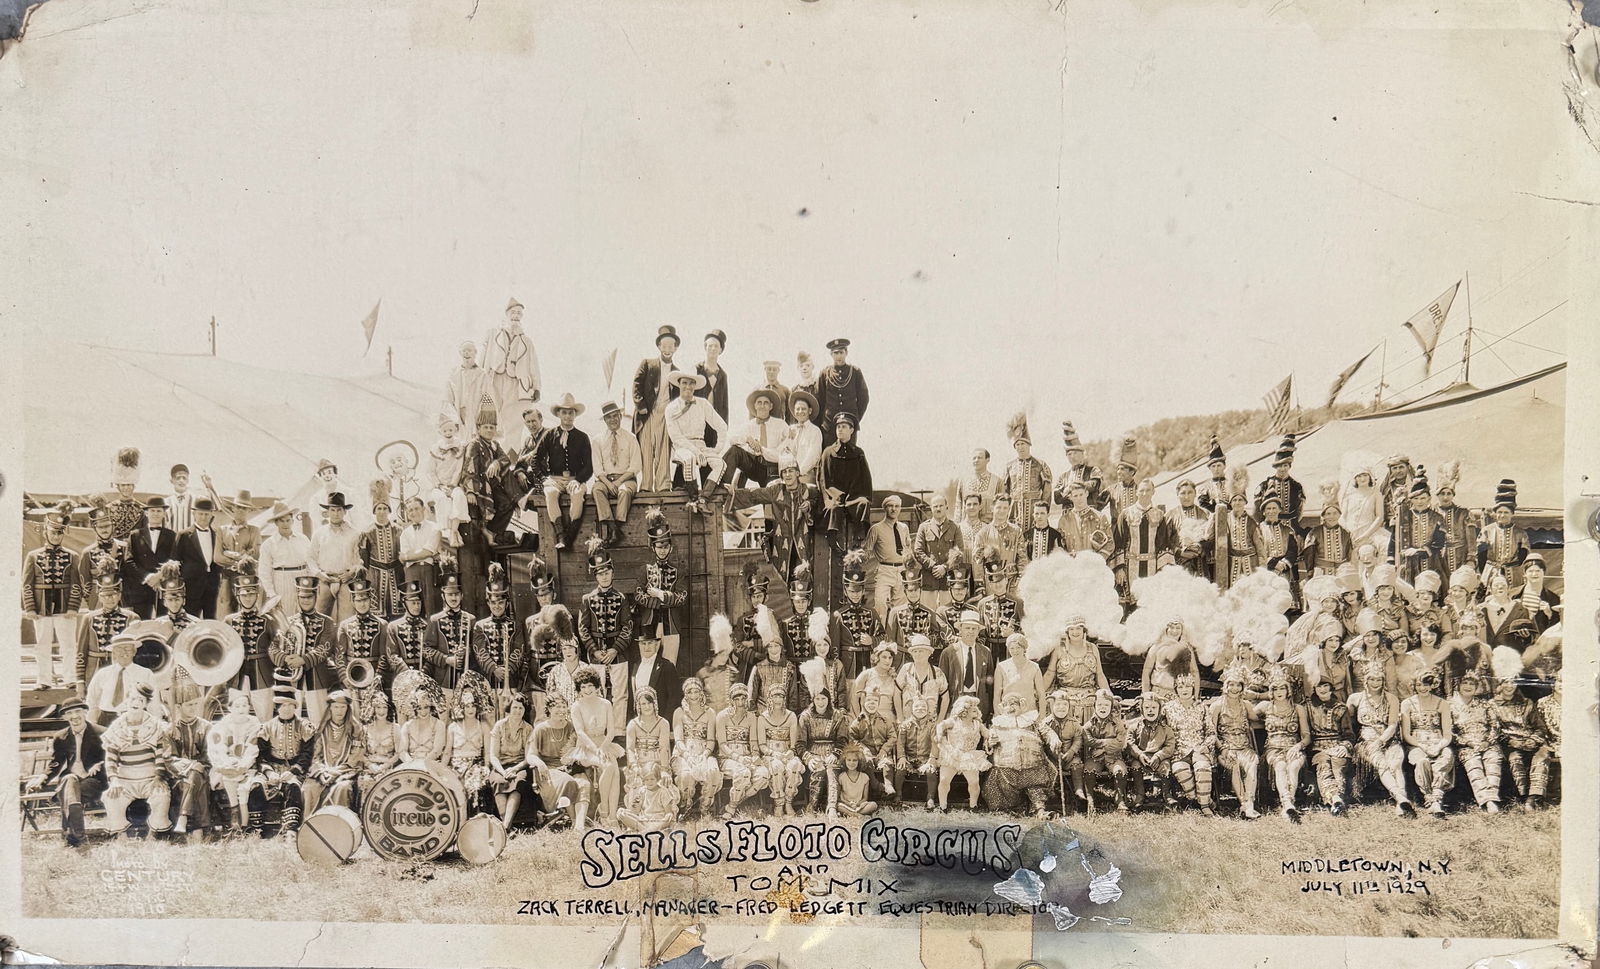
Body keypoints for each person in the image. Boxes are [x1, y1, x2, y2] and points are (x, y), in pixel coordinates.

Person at [728, 454, 818, 586]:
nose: (787, 475)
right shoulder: (776, 491)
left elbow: (819, 502)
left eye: (791, 471)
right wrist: (734, 493)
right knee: (781, 578)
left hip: (802, 542)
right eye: (784, 472)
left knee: (803, 575)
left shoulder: (808, 490)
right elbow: (754, 495)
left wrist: (810, 505)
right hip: (781, 543)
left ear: (798, 473)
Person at [101, 683, 173, 840]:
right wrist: (113, 781)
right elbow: (111, 758)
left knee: (161, 795)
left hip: (149, 778)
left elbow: (160, 755)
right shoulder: (117, 727)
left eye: (141, 700)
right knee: (111, 797)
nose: (136, 703)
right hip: (125, 779)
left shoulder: (154, 725)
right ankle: (121, 835)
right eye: (133, 699)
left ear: (146, 704)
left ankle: (153, 834)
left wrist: (158, 777)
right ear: (127, 701)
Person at [23, 500, 82, 688]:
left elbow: (76, 585)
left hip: (65, 608)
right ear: (45, 532)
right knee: (42, 646)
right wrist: (31, 608)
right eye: (53, 532)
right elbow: (27, 584)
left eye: (60, 532)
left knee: (69, 645)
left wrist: (73, 607)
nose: (56, 536)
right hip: (41, 608)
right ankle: (44, 680)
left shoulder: (72, 556)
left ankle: (70, 679)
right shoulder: (33, 556)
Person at [245, 681, 316, 837]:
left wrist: (293, 771)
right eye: (283, 705)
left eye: (290, 705)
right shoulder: (267, 727)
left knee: (293, 787)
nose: (286, 709)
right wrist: (269, 773)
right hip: (271, 769)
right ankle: (257, 829)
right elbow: (261, 755)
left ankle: (290, 830)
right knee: (257, 786)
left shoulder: (304, 726)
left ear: (295, 706)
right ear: (277, 708)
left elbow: (307, 754)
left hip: (295, 769)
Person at [1347, 660, 1416, 817]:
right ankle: (1401, 798)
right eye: (1372, 679)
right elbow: (1348, 724)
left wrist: (1381, 741)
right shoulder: (1355, 698)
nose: (1375, 683)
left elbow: (1392, 725)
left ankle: (1401, 802)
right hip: (1366, 742)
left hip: (1388, 738)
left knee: (1396, 764)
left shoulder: (1392, 698)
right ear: (1366, 680)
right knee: (1382, 764)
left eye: (1379, 679)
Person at [33, 697, 105, 847]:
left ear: (85, 712)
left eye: (78, 711)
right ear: (64, 717)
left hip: (93, 782)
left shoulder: (101, 733)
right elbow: (56, 762)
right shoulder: (61, 736)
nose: (74, 716)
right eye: (69, 713)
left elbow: (113, 757)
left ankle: (73, 837)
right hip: (71, 780)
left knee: (69, 791)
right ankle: (79, 837)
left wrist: (100, 764)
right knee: (70, 780)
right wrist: (44, 776)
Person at [578, 542, 634, 734]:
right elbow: (583, 628)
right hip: (596, 655)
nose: (604, 576)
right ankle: (598, 731)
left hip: (618, 653)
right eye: (600, 573)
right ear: (595, 576)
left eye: (607, 572)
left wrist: (615, 649)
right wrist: (594, 650)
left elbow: (628, 627)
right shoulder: (588, 599)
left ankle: (618, 731)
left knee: (620, 694)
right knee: (596, 693)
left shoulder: (622, 598)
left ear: (612, 573)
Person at [1488, 648, 1552, 810]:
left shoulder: (1527, 703)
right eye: (1506, 682)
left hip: (1532, 742)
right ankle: (1523, 795)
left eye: (1513, 681)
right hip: (1511, 745)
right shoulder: (1493, 705)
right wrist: (1513, 742)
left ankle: (1534, 797)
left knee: (1542, 755)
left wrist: (1532, 740)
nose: (1510, 686)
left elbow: (1540, 727)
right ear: (1499, 684)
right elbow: (1495, 730)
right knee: (1515, 759)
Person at [527, 693, 599, 832]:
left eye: (564, 706)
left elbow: (578, 749)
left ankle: (578, 825)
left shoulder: (571, 727)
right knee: (568, 781)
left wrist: (575, 757)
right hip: (548, 770)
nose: (561, 710)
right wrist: (539, 763)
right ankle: (574, 821)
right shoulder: (541, 729)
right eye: (557, 707)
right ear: (548, 709)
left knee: (583, 783)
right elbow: (530, 755)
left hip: (570, 767)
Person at [275, 574, 336, 724]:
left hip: (317, 678)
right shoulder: (289, 622)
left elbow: (325, 648)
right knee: (291, 720)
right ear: (297, 597)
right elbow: (276, 647)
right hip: (293, 679)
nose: (305, 600)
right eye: (302, 597)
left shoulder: (327, 622)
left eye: (309, 597)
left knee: (319, 720)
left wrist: (303, 660)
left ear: (316, 596)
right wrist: (284, 658)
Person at [536, 392, 593, 549]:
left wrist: (578, 480)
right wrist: (543, 478)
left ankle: (570, 536)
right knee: (550, 493)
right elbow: (535, 459)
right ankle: (560, 534)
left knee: (577, 494)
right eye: (564, 412)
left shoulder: (582, 437)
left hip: (575, 478)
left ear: (575, 414)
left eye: (570, 412)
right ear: (559, 414)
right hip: (555, 479)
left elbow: (589, 465)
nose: (567, 416)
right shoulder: (549, 435)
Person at [984, 692, 1055, 816]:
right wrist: (990, 742)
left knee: (1035, 786)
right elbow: (988, 742)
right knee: (999, 786)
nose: (1011, 707)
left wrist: (1054, 739)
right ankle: (1007, 810)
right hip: (1006, 766)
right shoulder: (998, 724)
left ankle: (1040, 811)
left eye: (1014, 704)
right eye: (1007, 705)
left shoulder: (1031, 721)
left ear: (1021, 706)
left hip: (1032, 764)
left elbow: (1046, 730)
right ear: (1002, 708)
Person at [630, 325, 682, 492]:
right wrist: (641, 406)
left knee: (663, 449)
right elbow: (637, 384)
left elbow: (679, 397)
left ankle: (663, 485)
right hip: (648, 413)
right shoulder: (648, 363)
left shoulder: (677, 372)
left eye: (670, 346)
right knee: (646, 449)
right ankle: (645, 485)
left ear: (675, 348)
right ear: (659, 346)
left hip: (666, 414)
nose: (667, 349)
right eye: (664, 346)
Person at [1399, 667, 1456, 817]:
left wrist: (1438, 746)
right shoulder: (1407, 703)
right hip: (1416, 743)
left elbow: (1447, 734)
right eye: (1418, 685)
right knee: (1422, 761)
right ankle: (1429, 797)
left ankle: (1437, 797)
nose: (1422, 688)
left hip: (1438, 742)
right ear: (1413, 686)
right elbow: (1406, 734)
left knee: (1447, 755)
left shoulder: (1442, 704)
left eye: (1426, 684)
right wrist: (1422, 745)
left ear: (1433, 685)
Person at [1207, 665, 1262, 819]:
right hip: (1224, 749)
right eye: (1231, 684)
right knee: (1235, 764)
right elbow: (1211, 732)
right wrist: (1223, 749)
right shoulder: (1217, 706)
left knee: (1253, 762)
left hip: (1244, 747)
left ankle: (1248, 804)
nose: (1235, 688)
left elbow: (1259, 719)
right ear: (1226, 686)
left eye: (1238, 684)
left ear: (1242, 687)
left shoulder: (1246, 705)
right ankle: (1244, 803)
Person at [634, 509, 688, 665]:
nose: (662, 550)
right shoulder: (645, 569)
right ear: (653, 548)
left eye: (665, 547)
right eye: (659, 547)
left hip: (672, 626)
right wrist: (660, 603)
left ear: (670, 548)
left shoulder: (678, 571)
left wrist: (660, 594)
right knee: (649, 664)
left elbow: (682, 597)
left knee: (670, 666)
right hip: (650, 623)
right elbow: (638, 595)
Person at [481, 297, 542, 434]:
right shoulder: (493, 334)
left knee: (513, 418)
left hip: (516, 382)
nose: (516, 316)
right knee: (492, 414)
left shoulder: (526, 341)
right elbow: (483, 357)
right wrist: (480, 377)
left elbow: (534, 365)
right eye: (513, 312)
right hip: (495, 378)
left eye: (519, 313)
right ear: (506, 314)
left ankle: (510, 452)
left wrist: (537, 388)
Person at [570, 668, 623, 823]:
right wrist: (595, 749)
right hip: (585, 747)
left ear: (597, 686)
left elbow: (611, 731)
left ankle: (612, 817)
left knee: (615, 772)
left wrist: (603, 747)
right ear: (579, 689)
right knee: (609, 767)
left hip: (604, 743)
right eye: (583, 687)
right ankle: (604, 809)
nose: (587, 690)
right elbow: (580, 732)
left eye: (590, 686)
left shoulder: (606, 704)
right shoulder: (576, 706)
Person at [75, 571, 139, 698]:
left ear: (120, 595)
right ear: (99, 597)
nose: (110, 599)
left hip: (122, 668)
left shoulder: (131, 617)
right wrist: (80, 680)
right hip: (94, 670)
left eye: (114, 595)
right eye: (105, 595)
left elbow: (136, 651)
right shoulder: (89, 618)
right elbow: (81, 651)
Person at [471, 565, 525, 715]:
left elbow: (518, 650)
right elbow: (480, 652)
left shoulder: (516, 625)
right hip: (489, 680)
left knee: (510, 716)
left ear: (506, 603)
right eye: (493, 603)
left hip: (511, 680)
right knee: (490, 717)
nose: (497, 606)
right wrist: (494, 669)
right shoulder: (480, 626)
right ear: (488, 603)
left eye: (500, 602)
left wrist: (508, 670)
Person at [1256, 667, 1309, 821]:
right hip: (1273, 749)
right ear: (1271, 691)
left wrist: (1298, 746)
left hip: (1293, 747)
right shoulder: (1265, 707)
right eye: (1275, 688)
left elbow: (1307, 736)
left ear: (1288, 690)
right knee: (1280, 767)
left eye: (1282, 688)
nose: (1279, 691)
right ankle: (1287, 803)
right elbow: (1245, 713)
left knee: (1292, 767)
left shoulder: (1298, 708)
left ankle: (1288, 805)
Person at [205, 689, 261, 832]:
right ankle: (234, 813)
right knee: (227, 777)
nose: (241, 709)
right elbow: (217, 748)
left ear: (249, 707)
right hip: (226, 766)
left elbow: (252, 748)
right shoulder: (222, 726)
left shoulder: (254, 725)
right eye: (237, 706)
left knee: (243, 786)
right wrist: (228, 762)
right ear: (230, 708)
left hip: (247, 767)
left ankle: (244, 823)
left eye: (244, 705)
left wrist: (243, 764)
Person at [713, 387, 787, 493]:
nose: (762, 406)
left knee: (770, 500)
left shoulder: (781, 425)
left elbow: (786, 448)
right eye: (759, 402)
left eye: (766, 403)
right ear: (755, 406)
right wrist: (747, 439)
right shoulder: (749, 425)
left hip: (772, 468)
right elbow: (732, 439)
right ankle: (722, 488)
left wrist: (762, 449)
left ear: (771, 406)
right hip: (754, 466)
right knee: (735, 451)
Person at [1449, 669, 1503, 813]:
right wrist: (1467, 742)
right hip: (1466, 745)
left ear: (1477, 687)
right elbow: (1449, 731)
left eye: (1472, 684)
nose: (1468, 686)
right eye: (1464, 683)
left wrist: (1487, 741)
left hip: (1487, 742)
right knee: (1474, 765)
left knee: (1493, 761)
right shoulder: (1450, 705)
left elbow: (1495, 726)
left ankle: (1491, 798)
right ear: (1458, 686)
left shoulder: (1485, 704)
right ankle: (1487, 801)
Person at [818, 412, 873, 550]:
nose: (840, 429)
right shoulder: (828, 452)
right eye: (838, 427)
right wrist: (829, 498)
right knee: (834, 509)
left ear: (852, 430)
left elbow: (866, 479)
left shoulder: (858, 452)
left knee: (863, 504)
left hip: (853, 498)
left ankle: (859, 538)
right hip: (835, 497)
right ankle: (832, 539)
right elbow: (824, 480)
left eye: (844, 426)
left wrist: (865, 496)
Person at [1112, 479, 1176, 598]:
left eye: (1148, 490)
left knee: (1150, 601)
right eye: (1141, 490)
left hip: (1152, 566)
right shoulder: (1126, 514)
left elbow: (1163, 544)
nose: (1145, 493)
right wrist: (1119, 568)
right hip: (1129, 566)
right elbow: (1118, 542)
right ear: (1136, 492)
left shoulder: (1159, 515)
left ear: (1153, 492)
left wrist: (1163, 571)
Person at [590, 401, 642, 548]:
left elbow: (635, 466)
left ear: (620, 416)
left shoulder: (630, 437)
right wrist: (608, 483)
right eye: (609, 417)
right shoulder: (597, 440)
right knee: (597, 490)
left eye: (615, 416)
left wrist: (619, 482)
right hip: (606, 480)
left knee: (625, 492)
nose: (613, 419)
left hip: (626, 478)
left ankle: (615, 530)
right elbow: (597, 469)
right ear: (605, 420)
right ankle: (614, 530)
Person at [302, 690, 364, 813]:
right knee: (309, 788)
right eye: (336, 707)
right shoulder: (322, 730)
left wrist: (336, 772)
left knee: (342, 788)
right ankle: (311, 825)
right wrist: (322, 772)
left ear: (347, 709)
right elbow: (315, 756)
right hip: (324, 772)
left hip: (344, 773)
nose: (339, 711)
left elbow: (355, 757)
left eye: (342, 707)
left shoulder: (355, 730)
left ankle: (338, 825)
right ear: (330, 708)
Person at [307, 491, 363, 625]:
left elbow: (359, 559)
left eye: (339, 510)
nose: (336, 513)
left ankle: (344, 646)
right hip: (325, 580)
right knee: (319, 619)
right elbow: (310, 558)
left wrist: (352, 572)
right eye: (332, 510)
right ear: (328, 512)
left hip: (345, 581)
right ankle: (321, 646)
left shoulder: (354, 533)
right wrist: (320, 575)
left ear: (345, 511)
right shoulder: (319, 533)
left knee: (347, 620)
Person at [1161, 675, 1213, 816]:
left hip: (1198, 748)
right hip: (1178, 750)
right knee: (1180, 770)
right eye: (1181, 686)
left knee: (1202, 768)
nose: (1185, 690)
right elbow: (1155, 724)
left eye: (1188, 686)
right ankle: (1197, 799)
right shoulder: (1168, 708)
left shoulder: (1201, 707)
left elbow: (1211, 732)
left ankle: (1205, 806)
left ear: (1193, 688)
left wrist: (1205, 746)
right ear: (1176, 689)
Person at [671, 677, 722, 819]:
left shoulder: (710, 712)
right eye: (689, 692)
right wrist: (687, 755)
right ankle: (685, 806)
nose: (693, 695)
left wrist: (704, 755)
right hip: (683, 752)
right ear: (685, 694)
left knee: (712, 772)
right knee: (685, 774)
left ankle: (705, 807)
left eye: (696, 691)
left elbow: (711, 739)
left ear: (701, 693)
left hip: (704, 751)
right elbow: (678, 739)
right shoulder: (679, 712)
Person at [716, 683, 770, 819]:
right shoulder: (722, 716)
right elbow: (722, 744)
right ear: (731, 700)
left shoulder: (752, 717)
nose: (740, 703)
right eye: (736, 699)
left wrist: (756, 755)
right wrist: (738, 758)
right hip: (727, 758)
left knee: (764, 774)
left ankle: (733, 803)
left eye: (743, 699)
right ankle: (733, 808)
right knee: (744, 773)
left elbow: (753, 742)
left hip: (747, 756)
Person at [1043, 619, 1109, 724]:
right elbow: (1050, 673)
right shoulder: (1059, 649)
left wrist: (1109, 695)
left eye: (1078, 628)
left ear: (1084, 630)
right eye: (1071, 629)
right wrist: (1039, 693)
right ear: (1067, 632)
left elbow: (1100, 675)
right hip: (1065, 699)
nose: (1075, 632)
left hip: (1089, 698)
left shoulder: (1092, 648)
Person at [796, 687, 849, 815]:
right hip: (813, 752)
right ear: (813, 700)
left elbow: (843, 739)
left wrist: (835, 753)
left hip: (832, 752)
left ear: (829, 699)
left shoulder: (837, 715)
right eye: (817, 698)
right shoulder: (805, 716)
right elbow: (800, 744)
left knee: (832, 769)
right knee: (819, 768)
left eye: (823, 698)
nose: (820, 702)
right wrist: (808, 759)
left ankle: (831, 807)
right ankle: (813, 806)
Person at [487, 693, 535, 828]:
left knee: (518, 783)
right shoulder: (499, 726)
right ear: (509, 708)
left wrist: (515, 769)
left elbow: (528, 757)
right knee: (498, 781)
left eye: (521, 708)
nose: (517, 711)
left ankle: (505, 826)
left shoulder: (528, 728)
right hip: (500, 766)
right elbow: (493, 756)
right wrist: (503, 772)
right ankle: (504, 823)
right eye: (515, 707)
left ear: (525, 711)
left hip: (519, 766)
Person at [1305, 678, 1353, 816]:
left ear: (1331, 688)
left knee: (1338, 767)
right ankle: (1336, 800)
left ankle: (1337, 801)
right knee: (1324, 766)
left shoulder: (1341, 708)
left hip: (1337, 745)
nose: (1323, 689)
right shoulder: (1307, 706)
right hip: (1317, 747)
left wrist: (1344, 747)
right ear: (1314, 689)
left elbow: (1349, 735)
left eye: (1325, 685)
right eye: (1319, 686)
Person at [934, 694, 989, 812]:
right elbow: (941, 725)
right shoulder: (954, 721)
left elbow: (987, 733)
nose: (975, 708)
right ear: (963, 709)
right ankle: (942, 806)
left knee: (974, 782)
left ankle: (973, 806)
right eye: (971, 706)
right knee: (944, 779)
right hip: (952, 754)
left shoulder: (977, 724)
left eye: (976, 706)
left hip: (969, 755)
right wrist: (939, 734)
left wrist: (992, 737)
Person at [85, 633, 154, 729]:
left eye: (128, 649)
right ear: (113, 653)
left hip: (134, 720)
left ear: (134, 652)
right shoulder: (102, 673)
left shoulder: (146, 673)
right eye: (119, 649)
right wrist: (91, 725)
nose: (124, 652)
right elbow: (92, 701)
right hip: (106, 721)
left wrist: (154, 726)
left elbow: (153, 703)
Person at [862, 495, 912, 624]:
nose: (893, 509)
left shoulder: (904, 528)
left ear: (900, 509)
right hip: (884, 569)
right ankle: (880, 636)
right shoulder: (876, 529)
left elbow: (907, 548)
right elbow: (867, 551)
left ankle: (898, 636)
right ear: (885, 508)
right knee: (880, 604)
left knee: (901, 606)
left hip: (901, 570)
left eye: (897, 506)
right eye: (890, 506)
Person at [124, 497, 176, 620]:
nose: (155, 514)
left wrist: (159, 577)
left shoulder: (171, 535)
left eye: (159, 511)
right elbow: (129, 561)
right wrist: (147, 577)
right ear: (146, 513)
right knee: (142, 623)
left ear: (164, 514)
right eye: (152, 511)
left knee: (164, 622)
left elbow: (174, 559)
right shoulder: (135, 535)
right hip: (141, 588)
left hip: (163, 586)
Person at [256, 502, 310, 621]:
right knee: (286, 617)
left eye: (288, 520)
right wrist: (271, 593)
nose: (285, 524)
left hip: (302, 580)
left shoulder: (303, 539)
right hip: (281, 580)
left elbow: (310, 562)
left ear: (293, 521)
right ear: (276, 523)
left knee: (304, 616)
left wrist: (311, 583)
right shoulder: (269, 544)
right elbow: (264, 571)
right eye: (282, 521)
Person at [357, 482, 404, 619]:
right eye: (379, 509)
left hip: (396, 574)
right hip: (375, 575)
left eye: (385, 508)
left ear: (389, 510)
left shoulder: (398, 530)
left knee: (397, 613)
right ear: (374, 511)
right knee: (377, 615)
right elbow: (364, 559)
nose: (382, 512)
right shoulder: (367, 532)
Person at [1211, 469, 1262, 592]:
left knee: (1251, 592)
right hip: (1232, 561)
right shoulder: (1224, 519)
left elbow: (1259, 546)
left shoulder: (1251, 522)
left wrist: (1262, 566)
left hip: (1251, 561)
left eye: (1240, 500)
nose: (1237, 503)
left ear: (1245, 502)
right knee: (1232, 593)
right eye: (1234, 500)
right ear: (1231, 503)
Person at [1125, 692, 1177, 812]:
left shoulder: (1165, 728)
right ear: (1141, 709)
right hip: (1141, 758)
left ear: (1159, 709)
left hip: (1159, 758)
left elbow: (1170, 745)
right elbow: (1130, 743)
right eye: (1147, 707)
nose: (1150, 711)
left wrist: (1159, 756)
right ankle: (1140, 794)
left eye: (1154, 707)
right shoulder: (1135, 726)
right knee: (1135, 766)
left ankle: (1166, 794)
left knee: (1166, 767)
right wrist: (1139, 754)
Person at [212, 490, 261, 618]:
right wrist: (240, 558)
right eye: (238, 507)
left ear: (249, 511)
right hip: (227, 577)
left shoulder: (254, 531)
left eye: (244, 508)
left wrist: (229, 553)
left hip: (247, 578)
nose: (240, 510)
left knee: (246, 609)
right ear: (233, 508)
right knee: (226, 609)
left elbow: (254, 556)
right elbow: (217, 557)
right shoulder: (222, 530)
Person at [1393, 469, 1447, 585]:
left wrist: (1421, 551)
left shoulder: (1437, 517)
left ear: (1429, 498)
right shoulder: (1404, 517)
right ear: (1411, 500)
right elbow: (1395, 539)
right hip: (1409, 563)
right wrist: (1392, 559)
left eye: (1423, 498)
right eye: (1416, 499)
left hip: (1431, 560)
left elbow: (1439, 542)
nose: (1419, 501)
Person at [756, 686, 803, 816]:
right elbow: (762, 745)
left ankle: (788, 801)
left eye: (781, 696)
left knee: (794, 765)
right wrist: (773, 753)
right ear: (769, 699)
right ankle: (779, 803)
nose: (778, 699)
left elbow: (794, 743)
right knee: (776, 766)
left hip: (786, 752)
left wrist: (791, 752)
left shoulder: (791, 716)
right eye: (775, 696)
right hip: (770, 754)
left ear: (784, 699)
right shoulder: (762, 718)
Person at [939, 610, 995, 721]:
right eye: (967, 628)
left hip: (978, 699)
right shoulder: (949, 652)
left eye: (974, 628)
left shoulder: (985, 652)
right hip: (956, 699)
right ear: (960, 630)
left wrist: (990, 708)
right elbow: (941, 683)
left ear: (979, 631)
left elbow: (990, 682)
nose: (970, 631)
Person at [1081, 689, 1130, 812]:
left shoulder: (1117, 723)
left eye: (1106, 705)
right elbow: (1089, 741)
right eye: (1100, 705)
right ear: (1095, 706)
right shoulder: (1089, 725)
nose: (1103, 708)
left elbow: (1120, 742)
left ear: (1111, 706)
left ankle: (1120, 799)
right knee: (1089, 771)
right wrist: (1108, 742)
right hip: (1094, 757)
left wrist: (1103, 748)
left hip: (1114, 756)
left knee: (1120, 771)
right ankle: (1090, 799)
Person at [913, 495, 964, 610]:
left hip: (948, 579)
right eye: (935, 506)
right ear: (931, 508)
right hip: (929, 579)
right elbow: (918, 551)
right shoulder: (923, 527)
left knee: (948, 612)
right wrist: (934, 566)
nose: (938, 509)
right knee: (927, 612)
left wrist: (944, 568)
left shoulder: (955, 527)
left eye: (941, 505)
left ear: (947, 507)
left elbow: (959, 552)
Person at [847, 689, 901, 798]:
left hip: (882, 753)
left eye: (875, 701)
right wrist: (863, 749)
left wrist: (884, 750)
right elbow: (853, 739)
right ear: (863, 703)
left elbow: (892, 737)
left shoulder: (885, 720)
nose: (872, 703)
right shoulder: (857, 722)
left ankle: (888, 785)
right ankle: (876, 786)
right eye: (869, 700)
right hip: (866, 754)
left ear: (878, 704)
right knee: (866, 762)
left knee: (887, 763)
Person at [1001, 416, 1052, 531]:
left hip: (1035, 509)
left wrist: (1043, 509)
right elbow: (1005, 490)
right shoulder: (1009, 466)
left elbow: (1047, 490)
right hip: (1015, 509)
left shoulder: (1040, 464)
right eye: (1017, 445)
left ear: (1029, 445)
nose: (1020, 447)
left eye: (1023, 444)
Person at [447, 690, 493, 815]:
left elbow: (488, 752)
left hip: (475, 765)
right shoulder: (453, 727)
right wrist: (443, 770)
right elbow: (447, 752)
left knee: (476, 785)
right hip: (455, 765)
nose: (470, 709)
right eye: (467, 706)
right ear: (462, 708)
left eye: (473, 706)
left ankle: (474, 821)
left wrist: (487, 767)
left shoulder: (483, 726)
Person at [818, 338, 869, 447]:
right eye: (835, 353)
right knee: (829, 457)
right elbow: (820, 399)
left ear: (846, 353)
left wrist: (854, 419)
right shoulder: (824, 373)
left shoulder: (855, 372)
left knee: (850, 458)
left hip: (849, 425)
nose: (839, 356)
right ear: (831, 354)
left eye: (841, 352)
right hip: (829, 426)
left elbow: (864, 398)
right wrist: (823, 423)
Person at [1477, 479, 1529, 586]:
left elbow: (1523, 556)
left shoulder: (1520, 533)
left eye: (1506, 512)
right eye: (1499, 512)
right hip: (1490, 573)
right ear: (1495, 514)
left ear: (1512, 514)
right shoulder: (1487, 531)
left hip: (1514, 574)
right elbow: (1481, 555)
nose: (1502, 515)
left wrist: (1513, 567)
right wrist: (1485, 572)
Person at [628, 626, 682, 722]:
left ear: (656, 644)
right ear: (639, 645)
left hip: (660, 721)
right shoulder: (635, 666)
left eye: (650, 643)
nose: (647, 647)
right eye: (643, 644)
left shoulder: (667, 666)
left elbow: (674, 698)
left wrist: (664, 723)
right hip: (639, 722)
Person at [1254, 434, 1306, 530]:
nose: (1282, 469)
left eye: (1285, 465)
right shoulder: (1264, 486)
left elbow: (1299, 512)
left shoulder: (1297, 487)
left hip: (1291, 528)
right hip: (1268, 527)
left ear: (1289, 466)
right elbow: (1257, 513)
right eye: (1280, 466)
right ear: (1275, 467)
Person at [1140, 619, 1200, 702]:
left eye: (1178, 628)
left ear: (1183, 630)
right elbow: (1146, 672)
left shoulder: (1187, 648)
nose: (1174, 631)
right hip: (1159, 694)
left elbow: (1195, 672)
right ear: (1165, 629)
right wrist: (1146, 694)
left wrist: (1196, 697)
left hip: (1180, 696)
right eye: (1171, 627)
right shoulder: (1156, 647)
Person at [896, 634, 949, 723]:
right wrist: (901, 719)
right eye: (915, 651)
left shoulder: (937, 673)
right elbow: (896, 694)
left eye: (921, 651)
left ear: (929, 653)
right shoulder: (906, 669)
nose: (918, 654)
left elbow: (946, 698)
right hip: (908, 723)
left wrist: (940, 721)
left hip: (930, 724)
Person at [616, 762, 681, 833]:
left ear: (658, 778)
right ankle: (645, 831)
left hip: (658, 822)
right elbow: (635, 811)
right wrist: (623, 812)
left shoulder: (663, 792)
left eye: (652, 779)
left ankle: (644, 831)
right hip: (644, 821)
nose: (649, 782)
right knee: (622, 813)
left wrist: (667, 818)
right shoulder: (642, 791)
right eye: (647, 780)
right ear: (643, 780)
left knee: (667, 819)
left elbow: (669, 813)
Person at [693, 329, 731, 449]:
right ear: (705, 347)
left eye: (716, 346)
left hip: (713, 423)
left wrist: (723, 426)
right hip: (696, 421)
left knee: (710, 459)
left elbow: (725, 404)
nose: (713, 349)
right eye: (710, 346)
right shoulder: (696, 369)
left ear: (720, 350)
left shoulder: (722, 375)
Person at [1058, 481, 1113, 562]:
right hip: (1072, 566)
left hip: (1093, 565)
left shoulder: (1100, 517)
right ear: (1070, 498)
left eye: (1081, 494)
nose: (1079, 498)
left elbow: (1109, 543)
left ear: (1086, 493)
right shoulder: (1064, 520)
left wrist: (1098, 560)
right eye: (1075, 496)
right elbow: (1060, 546)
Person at [1302, 492, 1355, 577]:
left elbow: (1350, 555)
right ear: (1324, 516)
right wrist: (1310, 571)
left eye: (1335, 513)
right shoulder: (1315, 533)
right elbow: (1309, 554)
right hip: (1321, 571)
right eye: (1328, 514)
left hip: (1341, 572)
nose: (1332, 517)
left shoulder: (1346, 533)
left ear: (1339, 515)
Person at [993, 632, 1046, 716]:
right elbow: (997, 694)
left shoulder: (1034, 667)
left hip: (1029, 713)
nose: (1015, 651)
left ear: (1024, 648)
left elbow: (1041, 694)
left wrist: (1042, 715)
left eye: (1018, 647)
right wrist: (998, 715)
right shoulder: (1001, 667)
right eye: (1012, 648)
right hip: (1008, 713)